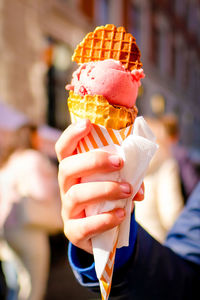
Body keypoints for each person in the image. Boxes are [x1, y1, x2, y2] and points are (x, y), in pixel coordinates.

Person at [55, 119, 200, 300]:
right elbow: (188, 272)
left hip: (139, 236)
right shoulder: (167, 163)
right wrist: (122, 250)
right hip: (149, 241)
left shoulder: (128, 155)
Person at [0, 124, 63, 300]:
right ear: (31, 137)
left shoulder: (9, 160)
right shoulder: (33, 159)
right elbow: (41, 192)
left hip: (7, 229)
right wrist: (54, 179)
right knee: (33, 288)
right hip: (29, 228)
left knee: (16, 284)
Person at [135, 117, 184, 243]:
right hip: (156, 243)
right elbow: (171, 215)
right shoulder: (166, 164)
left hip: (132, 242)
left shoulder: (132, 165)